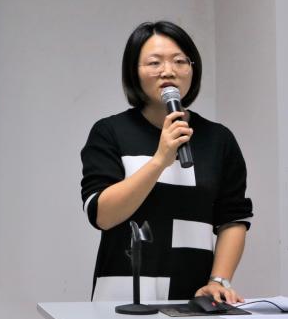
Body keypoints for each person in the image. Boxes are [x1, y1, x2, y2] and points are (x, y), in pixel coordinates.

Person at [80, 21, 253, 304]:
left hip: (193, 296)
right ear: (134, 72)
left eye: (179, 61)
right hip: (123, 295)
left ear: (192, 69)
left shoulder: (218, 139)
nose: (168, 71)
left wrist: (218, 280)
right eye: (154, 62)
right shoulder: (110, 132)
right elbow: (103, 215)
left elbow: (233, 218)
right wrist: (160, 160)